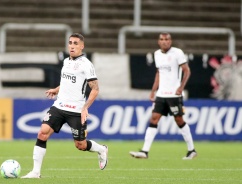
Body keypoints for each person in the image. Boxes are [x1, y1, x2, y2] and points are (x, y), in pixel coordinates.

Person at [21, 33, 108, 179]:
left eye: (75, 43)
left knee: (80, 145)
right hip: (59, 106)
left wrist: (85, 107)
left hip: (76, 110)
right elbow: (68, 82)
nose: (72, 46)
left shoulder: (86, 64)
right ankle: (36, 172)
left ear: (82, 46)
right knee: (42, 133)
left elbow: (95, 89)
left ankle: (101, 149)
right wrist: (56, 90)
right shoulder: (66, 61)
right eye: (70, 43)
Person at [129, 32, 197, 160]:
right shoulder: (157, 54)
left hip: (174, 95)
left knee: (179, 120)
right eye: (162, 39)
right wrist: (153, 91)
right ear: (158, 41)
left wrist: (181, 87)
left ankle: (191, 150)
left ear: (170, 41)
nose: (164, 41)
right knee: (154, 119)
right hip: (161, 94)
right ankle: (145, 151)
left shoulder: (177, 53)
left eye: (167, 39)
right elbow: (159, 73)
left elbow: (187, 71)